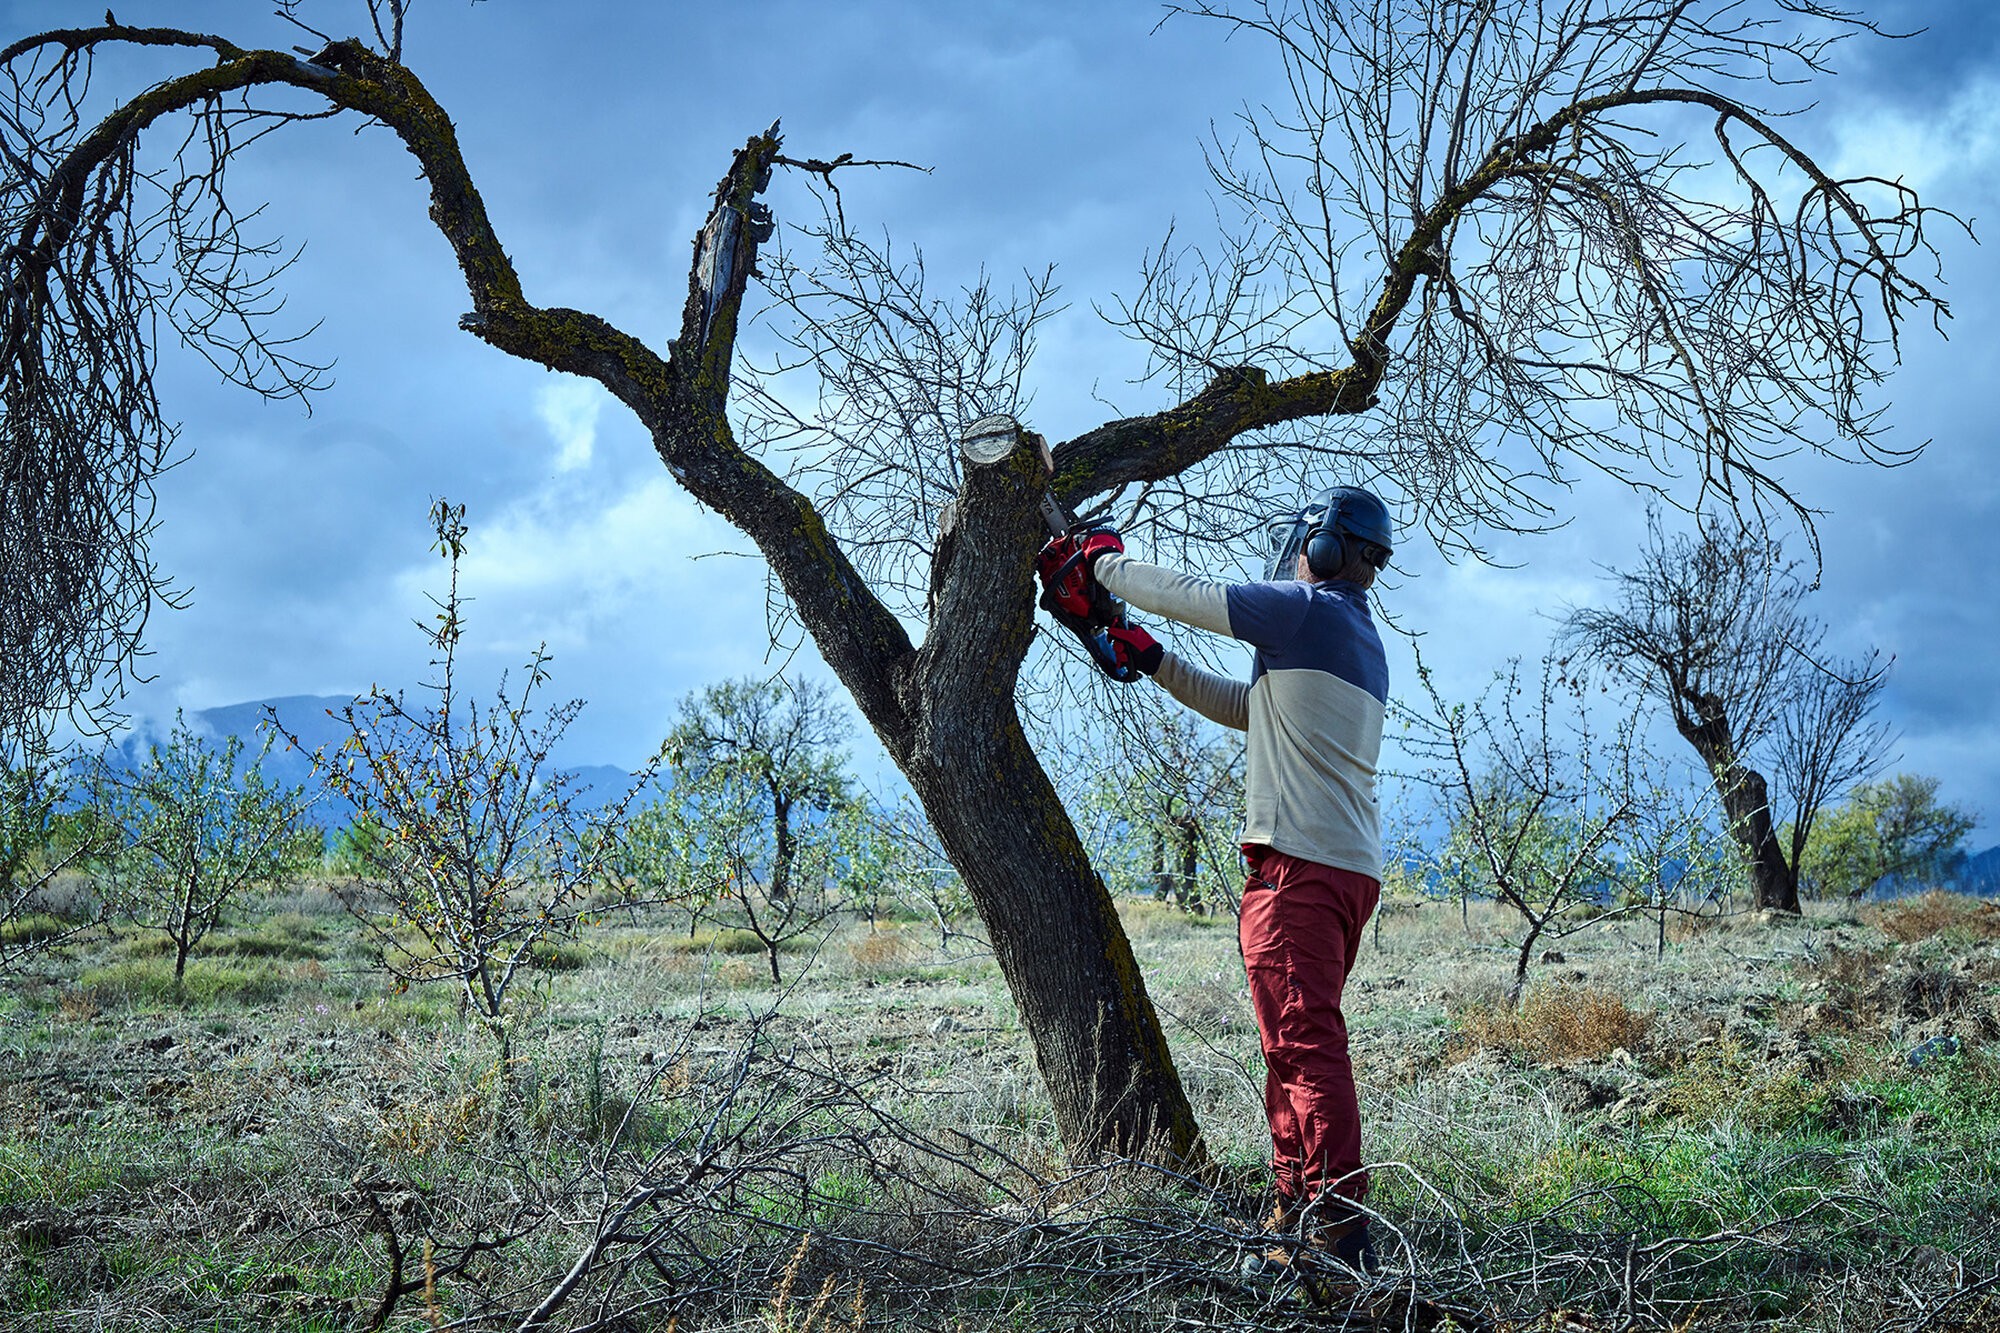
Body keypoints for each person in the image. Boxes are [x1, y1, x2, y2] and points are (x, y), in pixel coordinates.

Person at [1045, 486, 1393, 1276]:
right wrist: (1153, 657)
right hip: (1341, 868)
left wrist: (1105, 565)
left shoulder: (1305, 607)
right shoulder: (1356, 636)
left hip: (1299, 870)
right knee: (1289, 1050)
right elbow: (1252, 709)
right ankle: (1292, 1216)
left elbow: (1194, 597)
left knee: (1305, 1048)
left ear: (1326, 544)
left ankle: (1342, 1235)